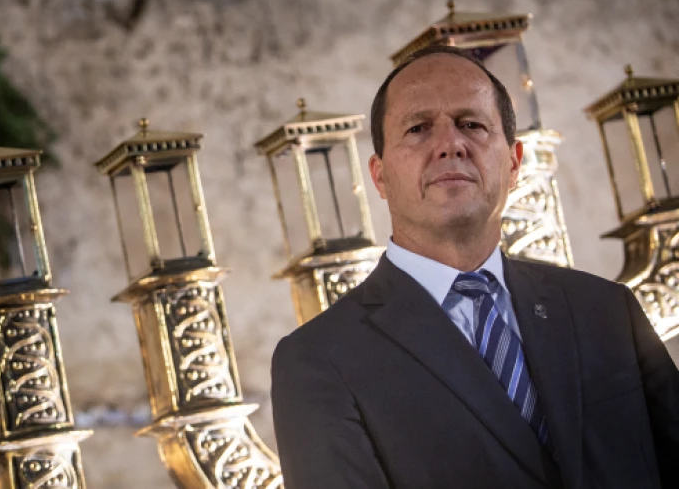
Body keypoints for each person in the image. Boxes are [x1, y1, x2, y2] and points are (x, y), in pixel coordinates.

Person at [270, 45, 679, 488]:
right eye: (418, 128)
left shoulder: (608, 310)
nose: (449, 145)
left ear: (515, 162)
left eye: (471, 124)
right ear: (380, 176)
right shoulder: (319, 360)